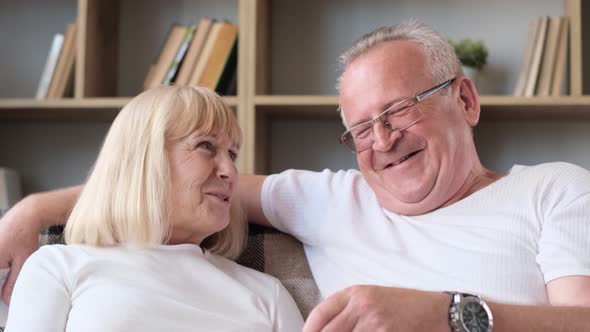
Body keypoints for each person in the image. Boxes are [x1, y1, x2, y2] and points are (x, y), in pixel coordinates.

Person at [1, 20, 590, 332]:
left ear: (464, 99)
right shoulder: (333, 199)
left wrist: (447, 315)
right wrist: (31, 212)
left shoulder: (554, 190)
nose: (382, 141)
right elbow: (168, 184)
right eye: (361, 128)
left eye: (399, 110)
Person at [2, 86, 303, 331]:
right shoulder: (59, 267)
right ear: (144, 160)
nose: (230, 171)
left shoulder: (268, 295)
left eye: (232, 154)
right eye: (206, 146)